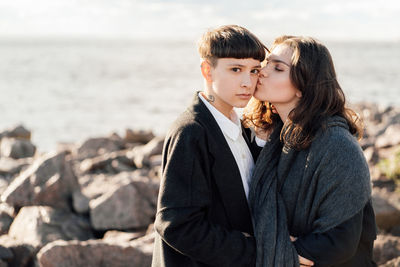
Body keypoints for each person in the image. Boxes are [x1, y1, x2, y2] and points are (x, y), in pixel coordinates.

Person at [243, 35, 377, 266]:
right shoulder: (273, 138)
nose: (262, 72)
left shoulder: (337, 146)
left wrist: (273, 248)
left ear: (303, 85)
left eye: (277, 67)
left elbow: (337, 243)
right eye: (266, 64)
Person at [151, 25, 266, 267]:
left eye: (255, 70)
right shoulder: (191, 132)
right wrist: (255, 250)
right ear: (207, 70)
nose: (248, 82)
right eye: (236, 69)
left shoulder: (242, 128)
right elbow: (176, 225)